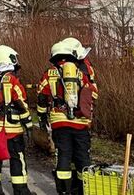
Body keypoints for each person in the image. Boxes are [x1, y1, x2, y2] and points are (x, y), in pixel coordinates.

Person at [37, 39, 99, 195]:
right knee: (82, 157)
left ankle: (64, 190)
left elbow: (42, 96)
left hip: (59, 122)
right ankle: (83, 189)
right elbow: (93, 94)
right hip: (80, 123)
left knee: (63, 155)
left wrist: (42, 117)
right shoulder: (80, 72)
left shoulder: (49, 73)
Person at [0, 45, 33, 195]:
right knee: (17, 159)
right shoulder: (12, 80)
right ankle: (21, 191)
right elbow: (21, 103)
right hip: (12, 131)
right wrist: (29, 124)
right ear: (10, 59)